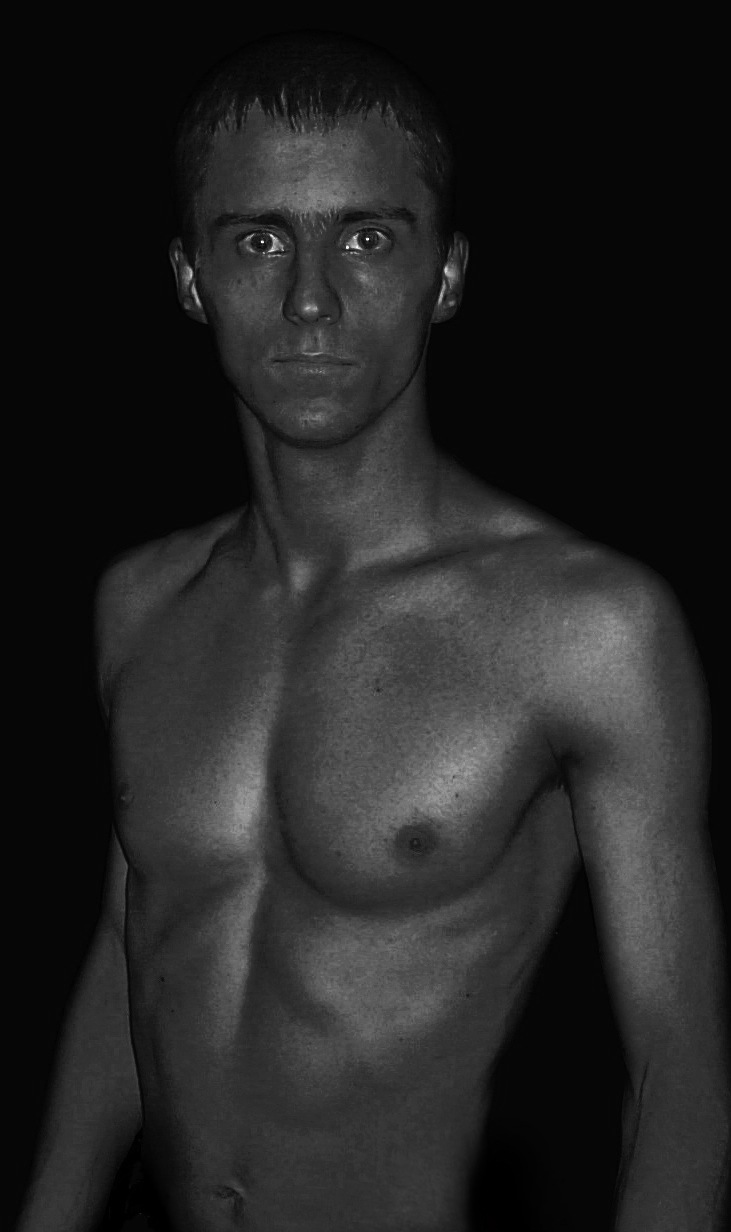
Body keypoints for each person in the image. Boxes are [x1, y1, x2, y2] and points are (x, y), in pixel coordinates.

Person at [18, 27, 729, 1232]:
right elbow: (140, 938)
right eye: (258, 240)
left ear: (444, 275)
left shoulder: (583, 626)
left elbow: (676, 1073)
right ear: (189, 278)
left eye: (364, 238)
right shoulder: (140, 601)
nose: (310, 300)